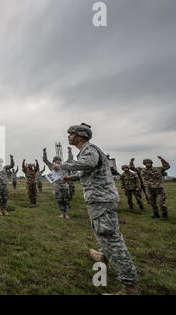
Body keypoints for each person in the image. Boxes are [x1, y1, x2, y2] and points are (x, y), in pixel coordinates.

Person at [62, 123, 137, 295]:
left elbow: (89, 163)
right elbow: (88, 172)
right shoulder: (87, 150)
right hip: (101, 200)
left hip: (101, 201)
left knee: (113, 241)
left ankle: (129, 288)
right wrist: (71, 177)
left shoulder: (90, 150)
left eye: (71, 133)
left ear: (80, 135)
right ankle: (103, 256)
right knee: (105, 233)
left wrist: (65, 166)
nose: (68, 136)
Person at [43, 148, 72, 218]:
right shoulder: (52, 166)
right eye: (56, 160)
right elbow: (45, 160)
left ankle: (66, 213)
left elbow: (70, 159)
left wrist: (69, 151)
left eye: (58, 160)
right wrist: (44, 152)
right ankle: (62, 213)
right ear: (54, 161)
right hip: (57, 185)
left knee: (66, 199)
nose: (57, 161)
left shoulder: (64, 165)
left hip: (65, 185)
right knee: (59, 199)